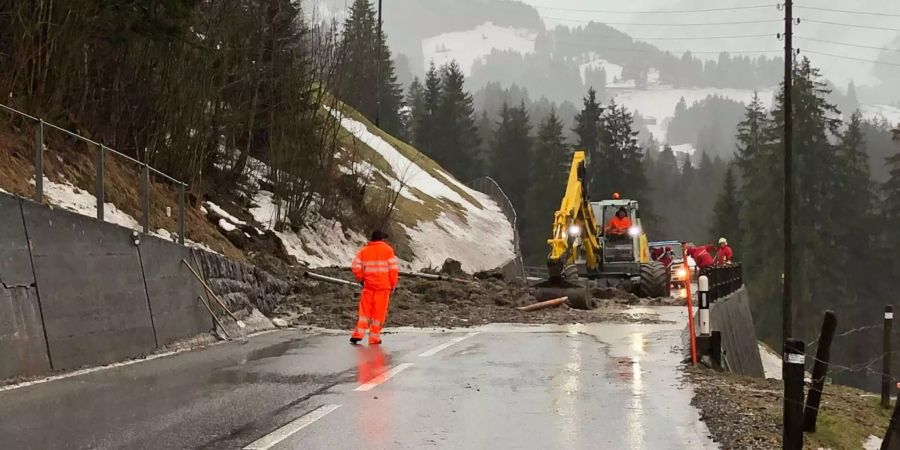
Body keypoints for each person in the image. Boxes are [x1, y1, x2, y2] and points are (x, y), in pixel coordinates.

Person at [350, 230, 399, 345]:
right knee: (378, 314)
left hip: (368, 286)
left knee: (364, 312)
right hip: (383, 287)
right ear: (382, 239)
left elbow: (355, 265)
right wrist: (393, 284)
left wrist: (361, 278)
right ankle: (374, 337)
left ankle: (358, 334)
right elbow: (393, 269)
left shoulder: (364, 251)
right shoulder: (388, 250)